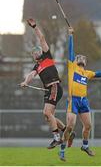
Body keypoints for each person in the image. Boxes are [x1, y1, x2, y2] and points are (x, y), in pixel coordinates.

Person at [59, 27, 101, 161]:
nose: (81, 58)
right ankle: (62, 149)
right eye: (78, 57)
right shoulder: (72, 67)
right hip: (73, 100)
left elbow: (97, 74)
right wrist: (70, 35)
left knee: (88, 126)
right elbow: (71, 51)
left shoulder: (87, 73)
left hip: (83, 101)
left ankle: (85, 146)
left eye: (83, 58)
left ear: (85, 62)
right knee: (70, 126)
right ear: (75, 60)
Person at [20, 18, 66, 149]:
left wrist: (34, 27)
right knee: (47, 116)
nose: (36, 53)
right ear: (33, 56)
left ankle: (57, 138)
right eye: (33, 53)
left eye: (37, 51)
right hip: (48, 90)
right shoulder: (36, 66)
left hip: (55, 86)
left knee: (47, 112)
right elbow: (31, 75)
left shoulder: (47, 56)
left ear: (41, 52)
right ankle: (66, 130)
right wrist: (25, 81)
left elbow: (42, 39)